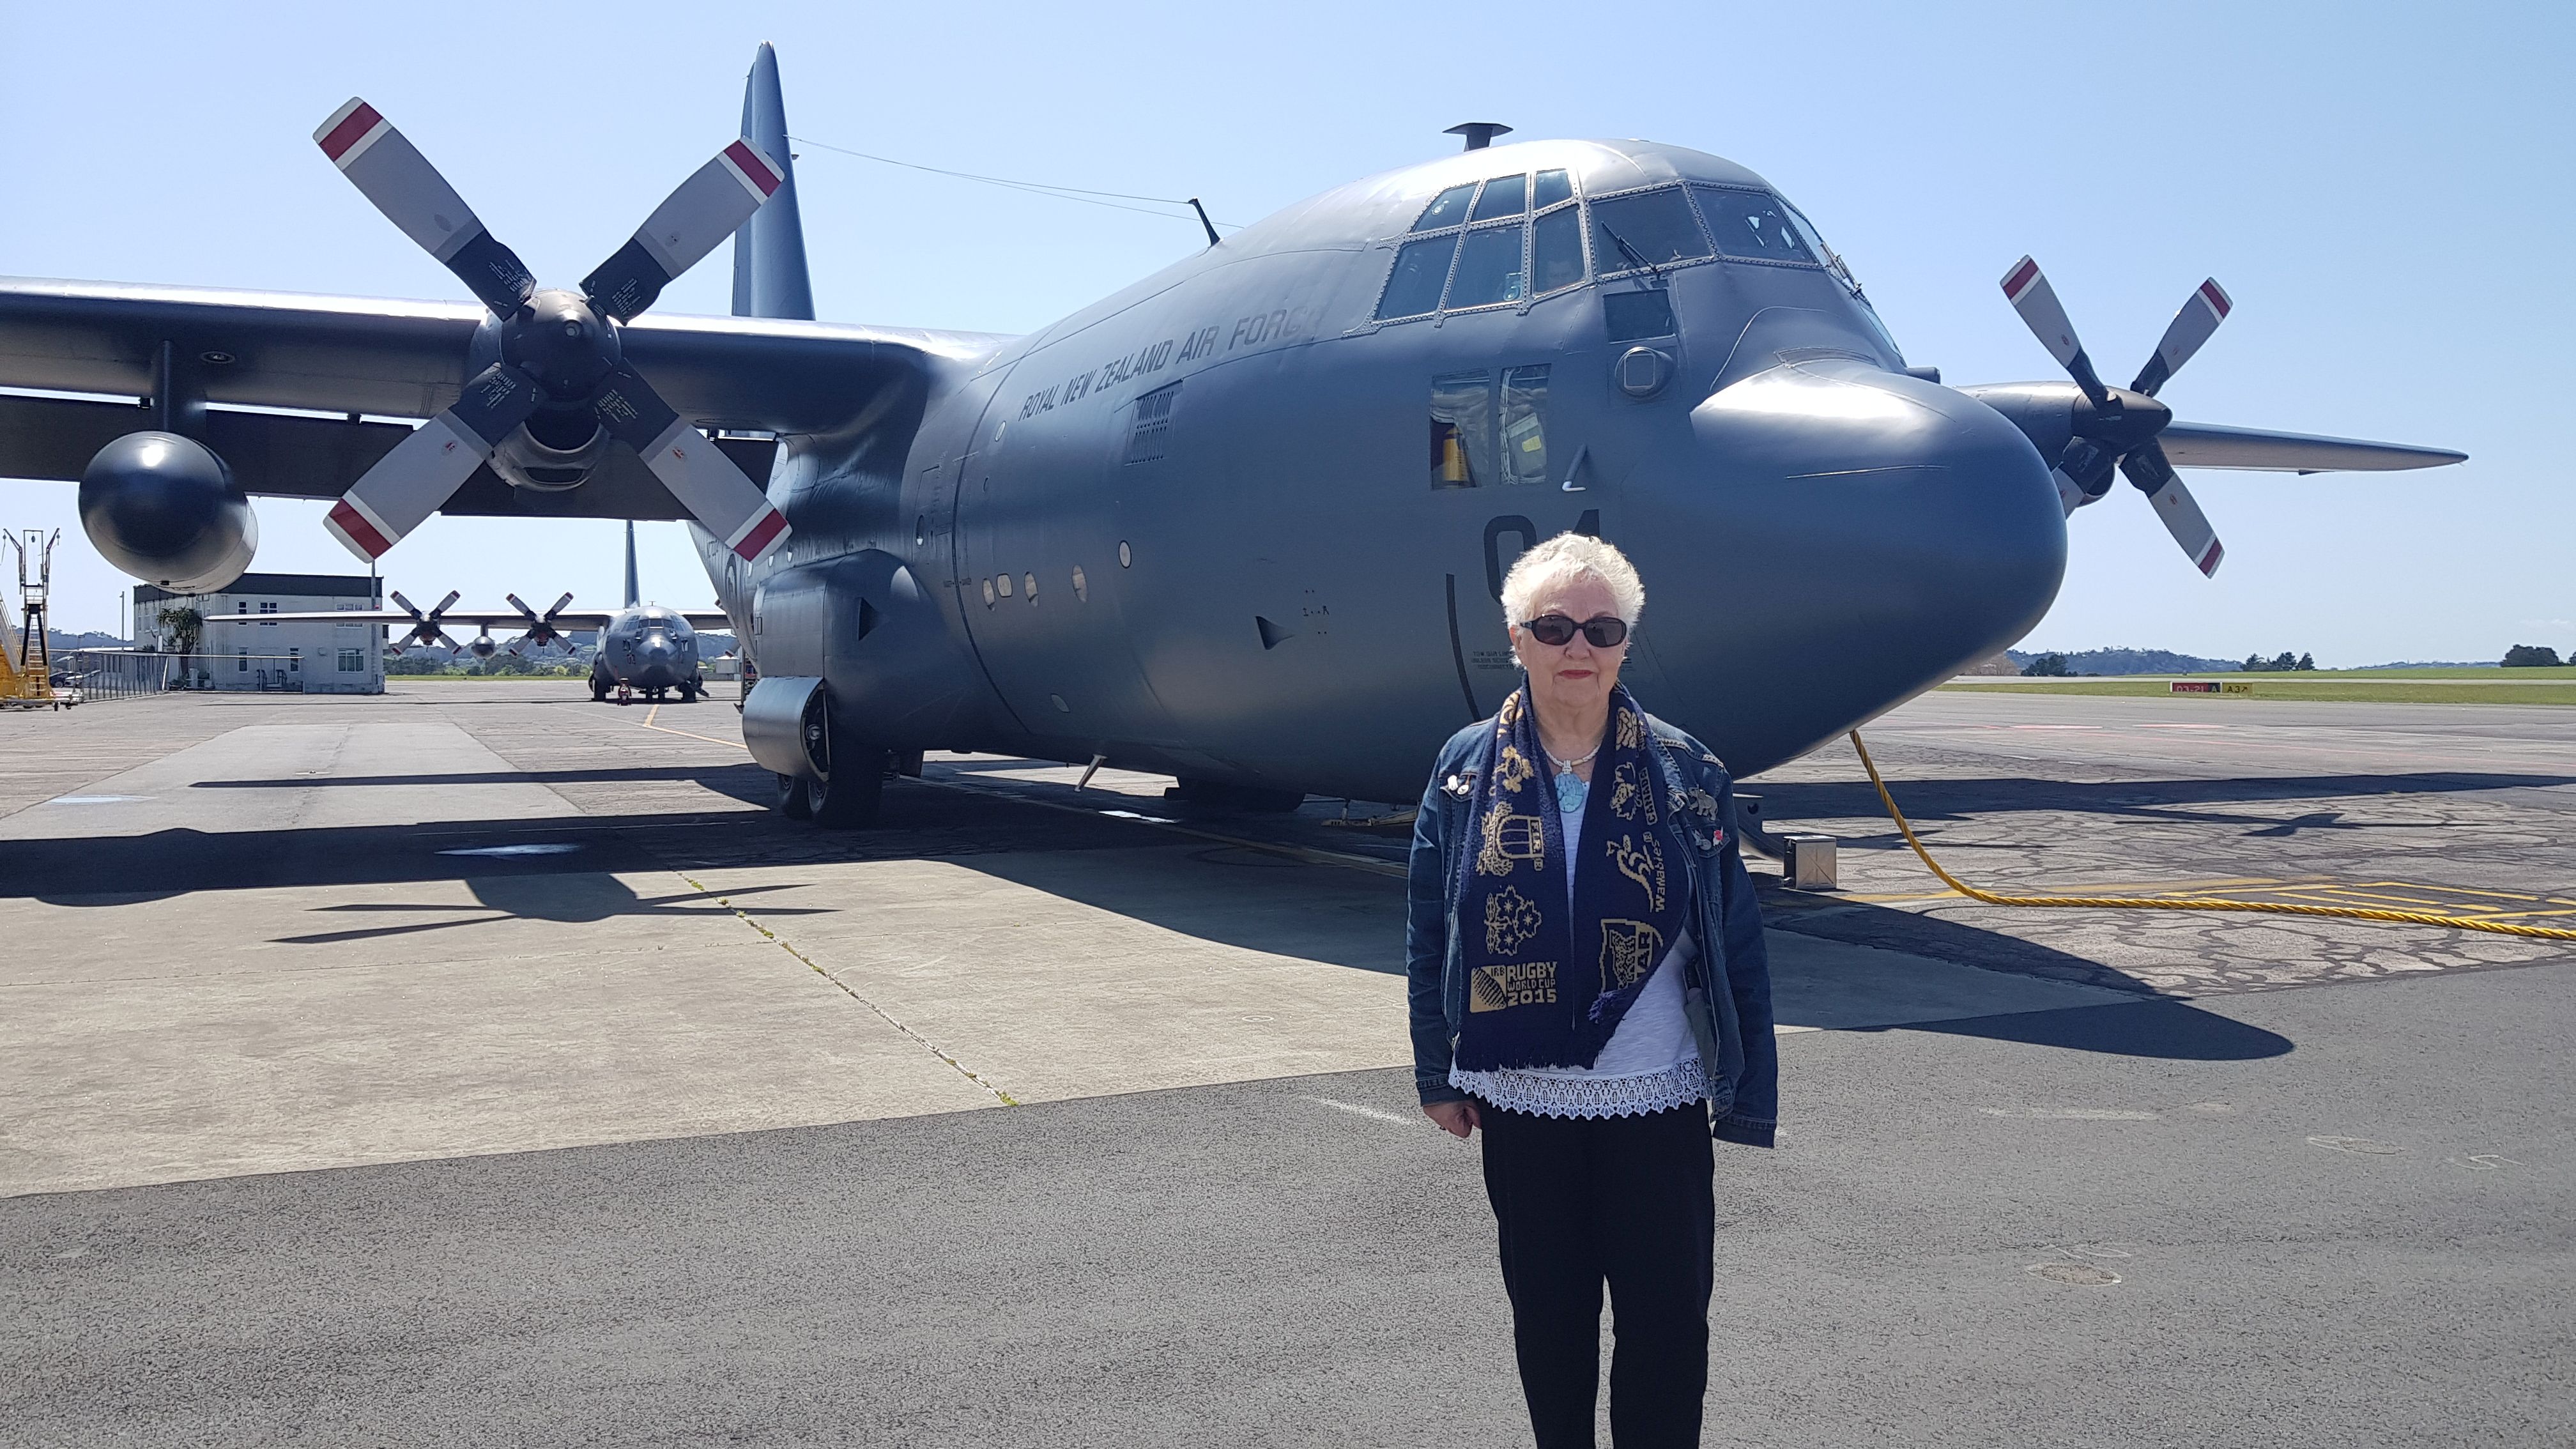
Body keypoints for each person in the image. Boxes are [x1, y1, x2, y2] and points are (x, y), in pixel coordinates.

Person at [1406, 532, 1775, 1448]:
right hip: (1522, 1099)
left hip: (1659, 1097)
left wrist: (1751, 1090)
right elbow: (1427, 933)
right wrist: (1434, 1070)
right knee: (1551, 1329)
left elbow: (1736, 942)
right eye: (1556, 626)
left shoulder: (1689, 773)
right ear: (1516, 638)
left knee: (1667, 1334)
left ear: (1625, 643)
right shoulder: (1463, 771)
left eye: (1602, 628)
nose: (1580, 646)